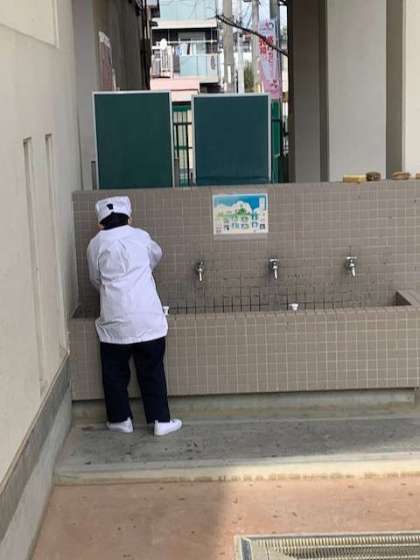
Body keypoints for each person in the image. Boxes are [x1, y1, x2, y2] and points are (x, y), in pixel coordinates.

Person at [87, 196, 182, 436]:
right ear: (129, 218)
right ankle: (160, 421)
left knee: (114, 372)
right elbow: (155, 256)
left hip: (115, 319)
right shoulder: (141, 237)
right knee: (152, 369)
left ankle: (120, 420)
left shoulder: (96, 244)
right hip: (147, 317)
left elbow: (95, 278)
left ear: (100, 223)